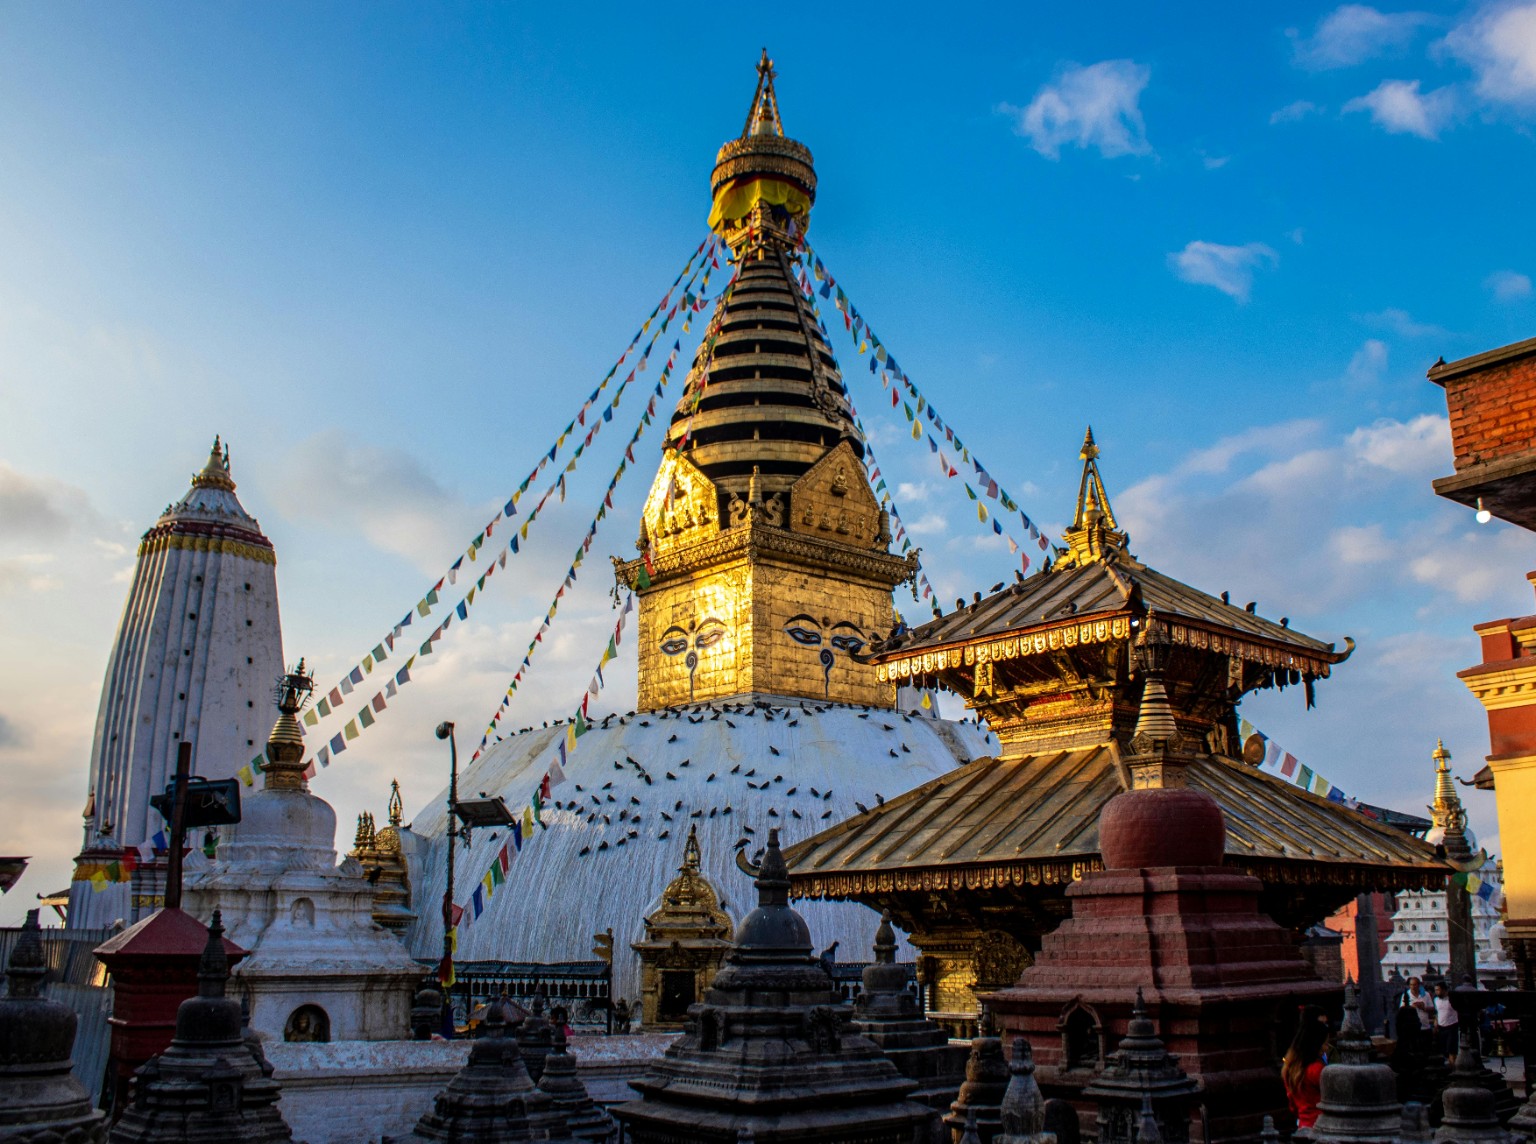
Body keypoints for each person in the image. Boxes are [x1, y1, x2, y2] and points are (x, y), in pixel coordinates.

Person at [1283, 1005, 1331, 1132]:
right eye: (1325, 1044)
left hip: (1303, 1125)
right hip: (1322, 1127)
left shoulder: (1290, 1067)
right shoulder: (1317, 1070)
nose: (1326, 1048)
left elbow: (1292, 1105)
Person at [1433, 981, 1460, 1061]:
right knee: (1443, 1050)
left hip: (1452, 1026)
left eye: (1438, 990)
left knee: (1451, 1050)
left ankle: (1453, 1068)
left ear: (1444, 990)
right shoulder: (1436, 1000)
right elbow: (1437, 1012)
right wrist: (1436, 1021)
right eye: (1436, 990)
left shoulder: (1451, 999)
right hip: (1441, 1027)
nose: (1437, 992)